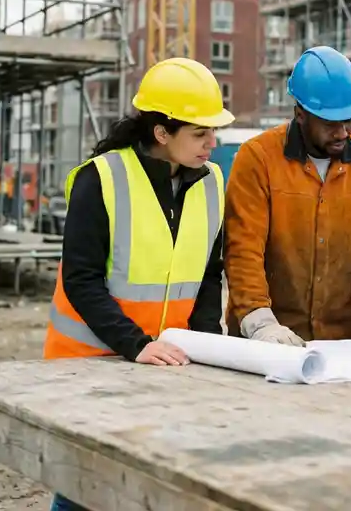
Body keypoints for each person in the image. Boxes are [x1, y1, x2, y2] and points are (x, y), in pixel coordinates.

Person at [43, 57, 234, 511]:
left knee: (151, 485)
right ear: (162, 132)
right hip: (90, 364)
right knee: (84, 485)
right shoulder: (101, 178)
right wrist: (136, 344)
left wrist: (206, 344)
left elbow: (209, 273)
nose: (212, 143)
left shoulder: (211, 181)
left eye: (213, 131)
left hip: (166, 361)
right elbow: (81, 279)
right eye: (200, 133)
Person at [223, 45, 351, 346]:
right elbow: (243, 248)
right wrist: (259, 322)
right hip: (263, 340)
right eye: (330, 124)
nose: (343, 132)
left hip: (335, 338)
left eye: (349, 120)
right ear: (300, 114)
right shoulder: (258, 158)